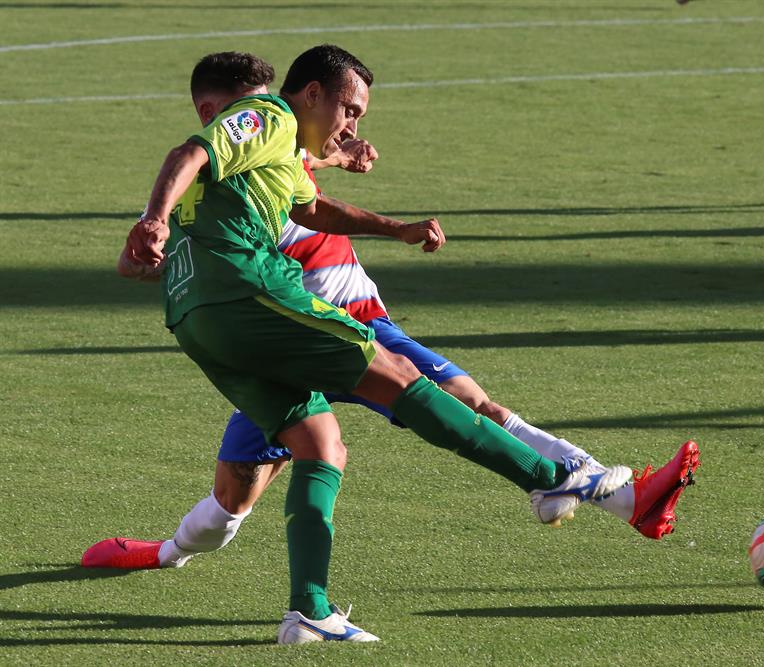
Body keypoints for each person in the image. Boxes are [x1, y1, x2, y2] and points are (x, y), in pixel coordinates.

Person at [99, 49, 639, 645]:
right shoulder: (268, 115)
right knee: (400, 374)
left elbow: (309, 206)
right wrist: (153, 219)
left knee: (320, 445)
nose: (352, 123)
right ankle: (544, 477)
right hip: (247, 293)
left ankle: (309, 614)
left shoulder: (278, 158)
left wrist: (395, 228)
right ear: (310, 95)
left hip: (195, 318)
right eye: (347, 107)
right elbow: (189, 151)